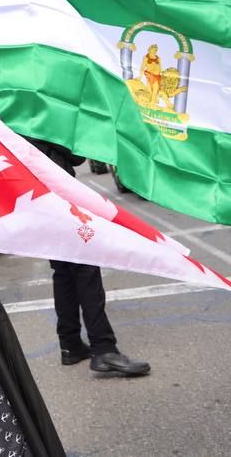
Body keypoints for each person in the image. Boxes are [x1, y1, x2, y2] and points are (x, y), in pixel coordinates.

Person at [27, 139, 151, 378]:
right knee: (85, 267)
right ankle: (103, 348)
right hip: (56, 194)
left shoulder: (12, 110)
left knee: (63, 270)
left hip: (38, 197)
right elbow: (75, 155)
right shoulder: (38, 109)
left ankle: (70, 343)